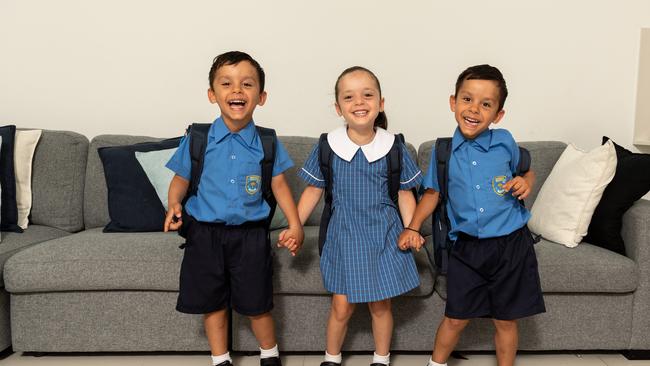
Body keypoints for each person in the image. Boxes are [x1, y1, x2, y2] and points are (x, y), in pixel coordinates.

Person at [398, 64, 546, 366]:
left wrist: (526, 183)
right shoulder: (443, 152)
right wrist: (412, 227)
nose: (474, 109)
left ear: (498, 115)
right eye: (467, 99)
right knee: (455, 317)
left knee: (505, 320)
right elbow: (432, 195)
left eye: (486, 104)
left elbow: (528, 170)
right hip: (467, 247)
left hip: (512, 246)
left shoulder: (505, 141)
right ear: (453, 102)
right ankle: (435, 364)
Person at [163, 51, 304, 366]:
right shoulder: (198, 138)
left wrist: (295, 224)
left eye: (247, 84)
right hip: (204, 235)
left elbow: (280, 186)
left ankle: (269, 355)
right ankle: (220, 358)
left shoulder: (267, 142)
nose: (237, 91)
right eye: (226, 84)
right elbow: (181, 179)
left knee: (257, 303)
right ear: (213, 95)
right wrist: (174, 203)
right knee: (212, 302)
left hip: (250, 237)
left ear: (261, 97)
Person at [287, 66, 421, 366]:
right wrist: (294, 226)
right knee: (341, 307)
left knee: (381, 306)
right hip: (344, 236)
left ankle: (381, 359)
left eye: (367, 95)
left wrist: (412, 229)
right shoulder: (327, 146)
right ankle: (331, 358)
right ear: (338, 108)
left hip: (384, 236)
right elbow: (313, 191)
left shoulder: (394, 147)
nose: (359, 102)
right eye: (349, 97)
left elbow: (404, 193)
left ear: (381, 103)